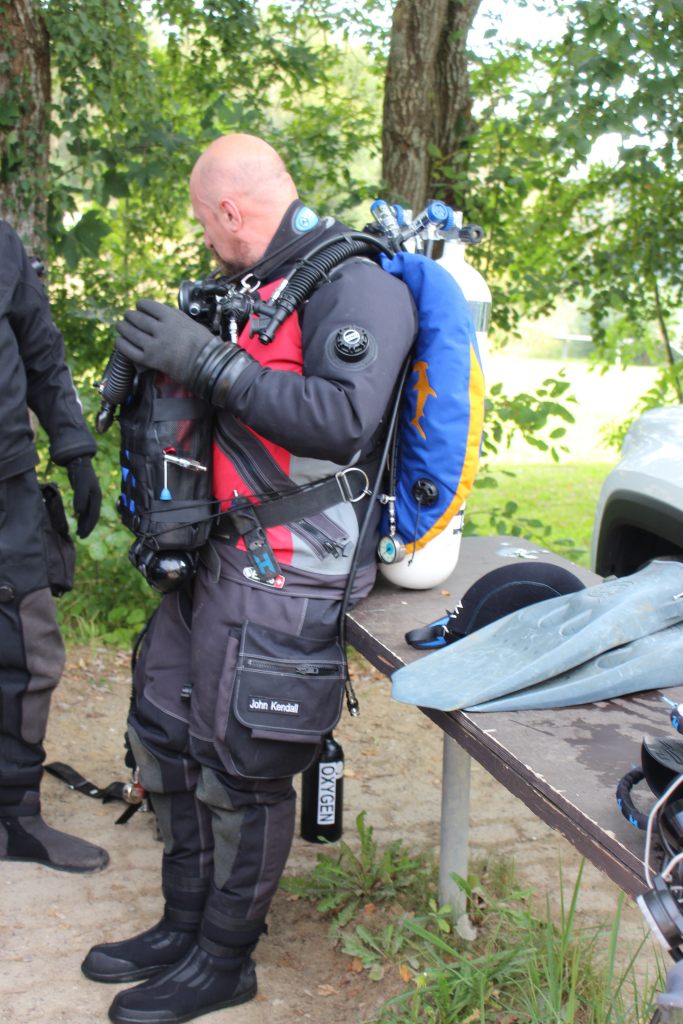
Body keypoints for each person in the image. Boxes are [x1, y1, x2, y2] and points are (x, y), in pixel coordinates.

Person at [81, 133, 417, 1023]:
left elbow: (341, 420)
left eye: (205, 221)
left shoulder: (354, 286)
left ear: (229, 209)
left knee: (241, 768)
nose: (206, 238)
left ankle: (225, 959)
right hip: (214, 552)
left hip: (287, 568)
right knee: (165, 729)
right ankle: (183, 923)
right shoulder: (260, 282)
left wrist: (207, 360)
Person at [0, 219, 106, 872]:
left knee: (27, 652)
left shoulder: (2, 245)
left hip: (7, 486)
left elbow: (41, 350)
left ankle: (16, 818)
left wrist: (75, 451)